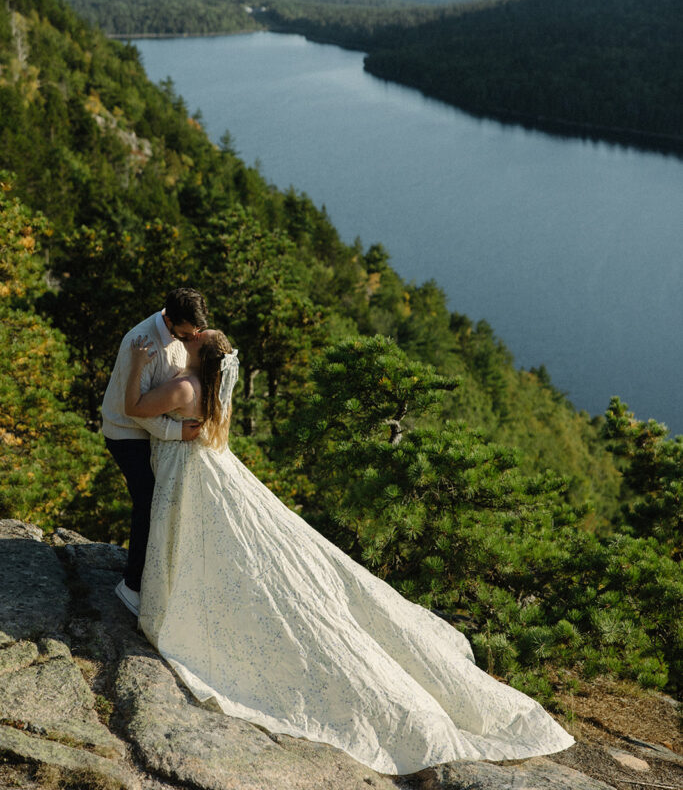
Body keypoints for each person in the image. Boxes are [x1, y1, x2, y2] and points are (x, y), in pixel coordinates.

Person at [124, 329, 574, 776]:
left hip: (191, 470)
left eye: (194, 343)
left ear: (201, 356)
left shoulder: (185, 384)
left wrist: (141, 368)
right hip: (208, 464)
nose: (187, 344)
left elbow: (135, 410)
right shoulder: (212, 386)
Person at [101, 287, 208, 615]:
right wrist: (177, 431)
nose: (193, 337)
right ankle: (132, 585)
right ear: (171, 319)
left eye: (198, 331)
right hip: (126, 433)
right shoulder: (142, 342)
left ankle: (155, 574)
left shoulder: (185, 333)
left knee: (166, 500)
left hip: (153, 431)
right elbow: (134, 409)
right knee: (147, 501)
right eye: (189, 332)